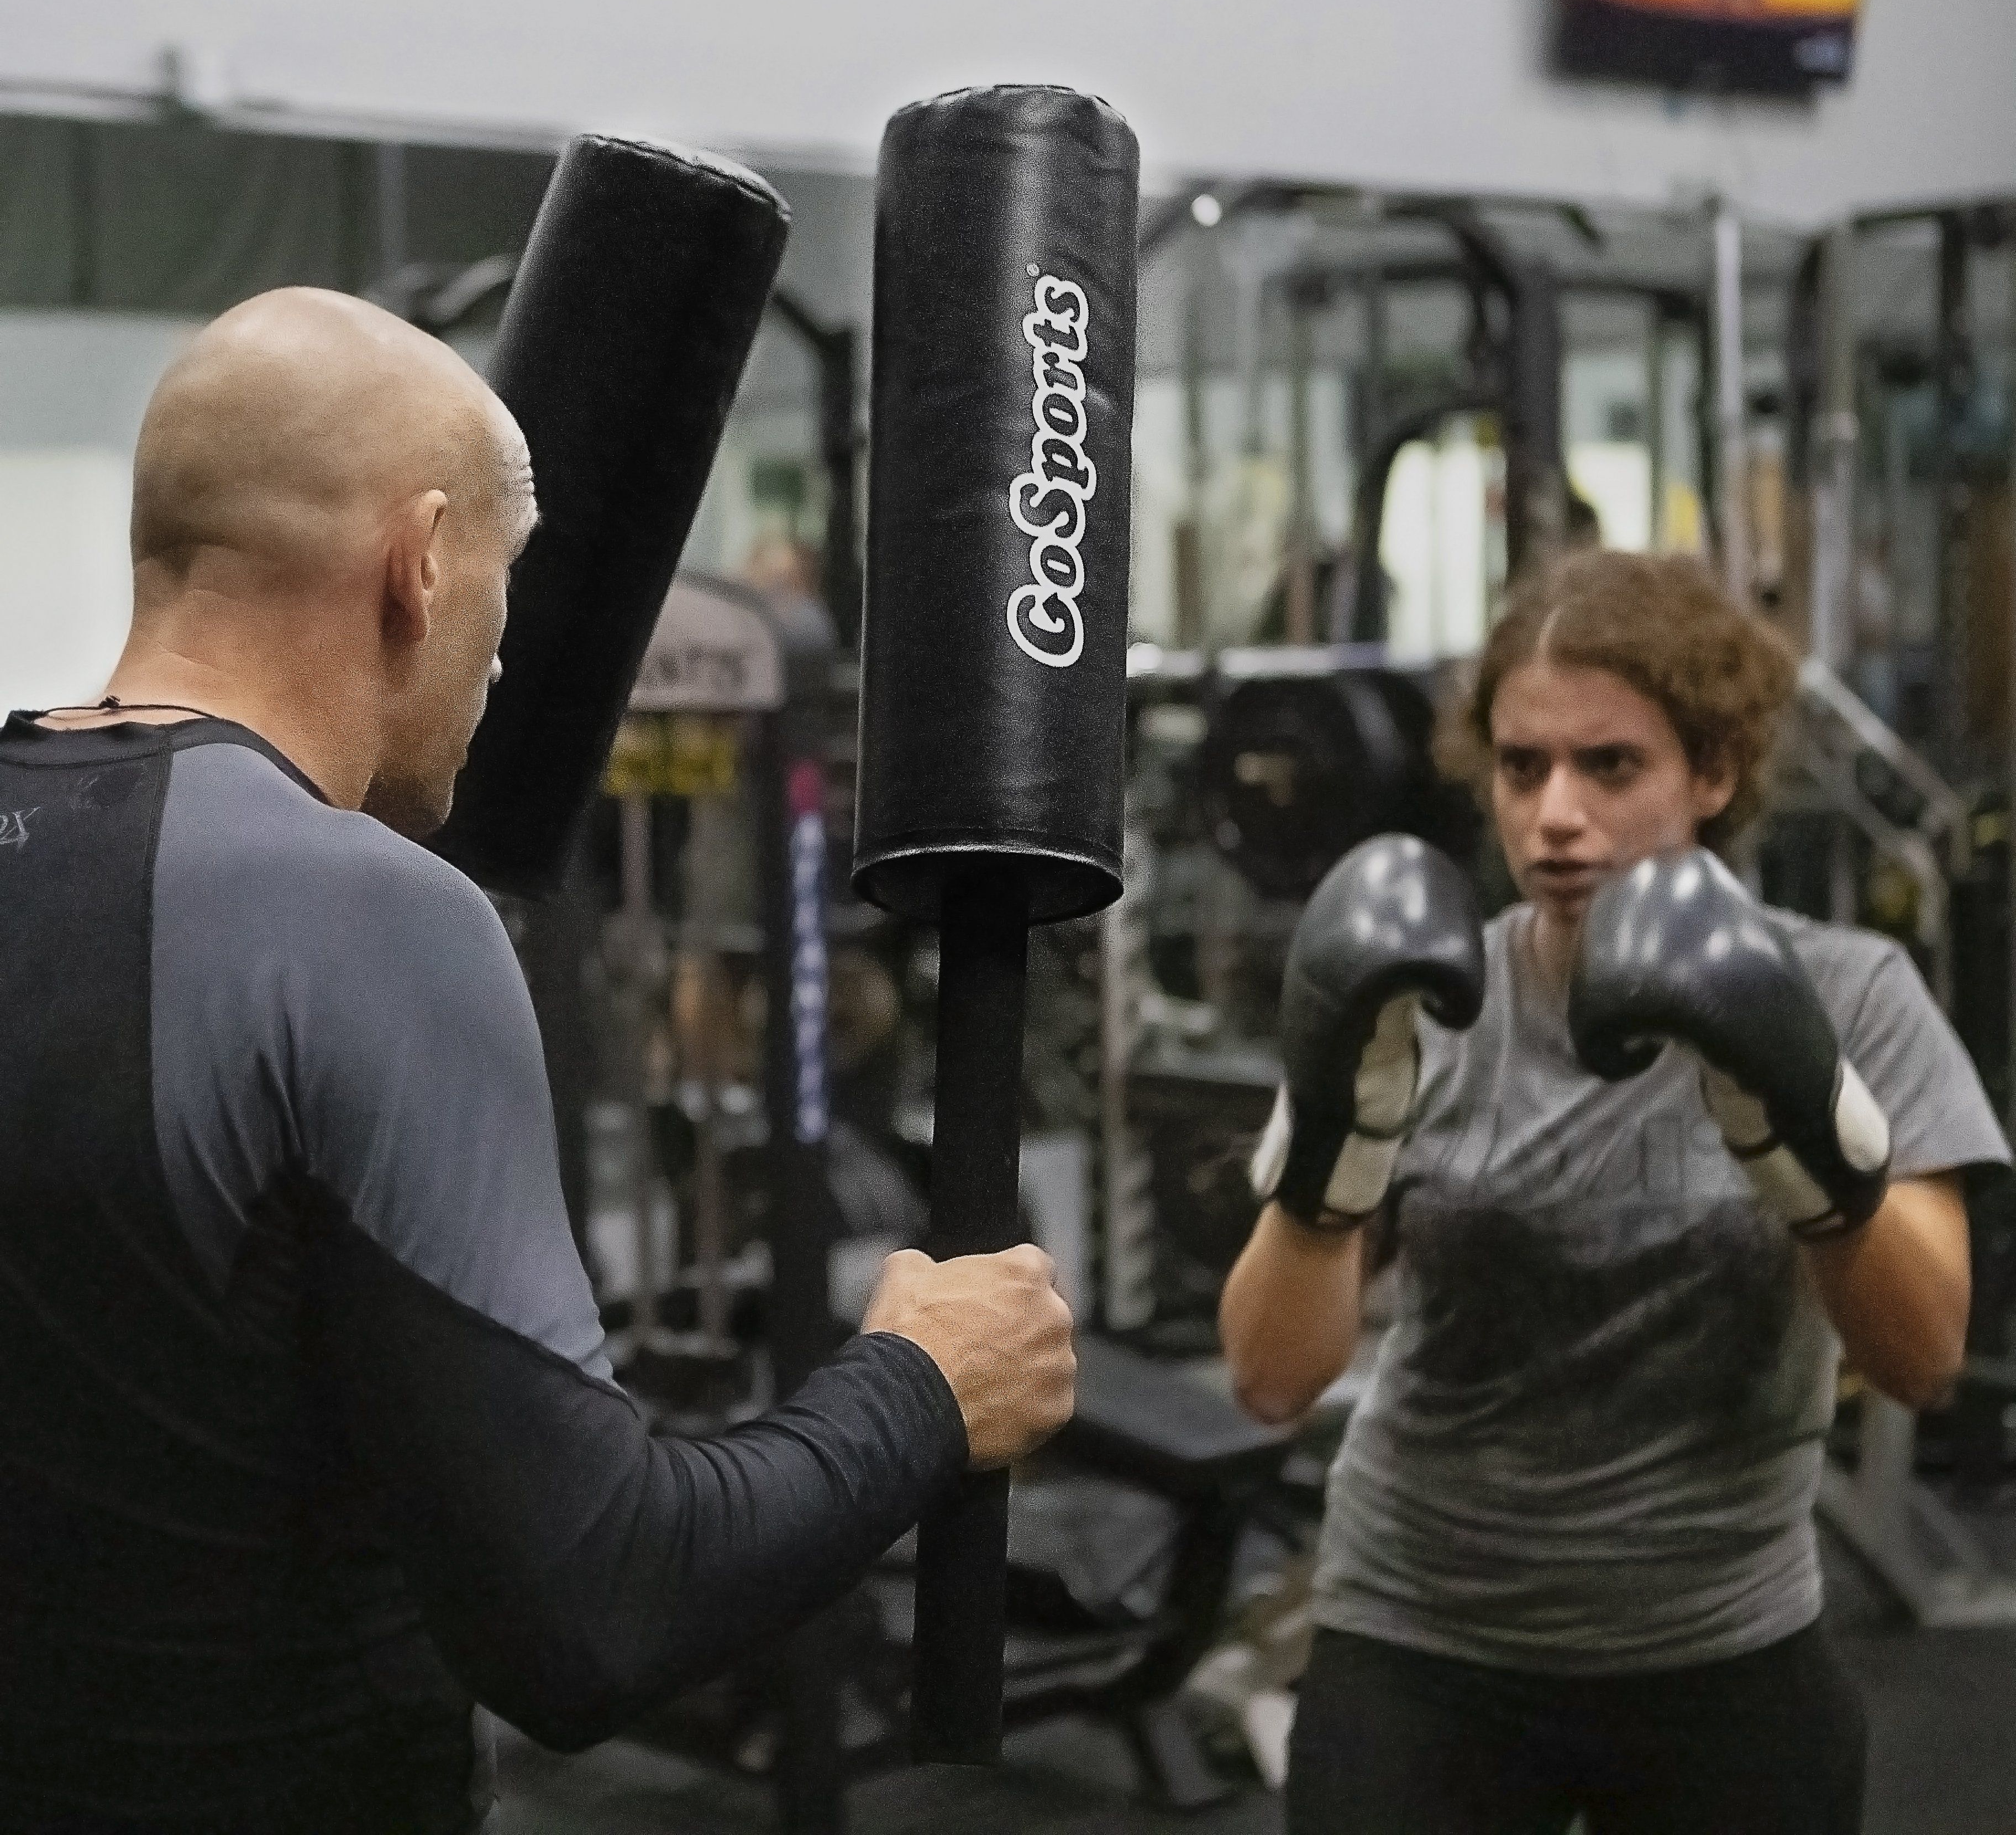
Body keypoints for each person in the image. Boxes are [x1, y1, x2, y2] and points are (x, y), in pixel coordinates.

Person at [0, 287, 1075, 1834]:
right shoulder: (364, 919)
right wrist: (924, 1389)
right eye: (501, 600)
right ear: (421, 561)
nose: (505, 668)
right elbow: (593, 1615)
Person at [1221, 548, 2006, 1835]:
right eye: (1522, 768)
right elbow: (1267, 1376)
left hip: (1722, 1633)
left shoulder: (1850, 995)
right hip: (1423, 1629)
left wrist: (1799, 1116)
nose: (1555, 816)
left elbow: (1922, 1359)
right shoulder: (1420, 1000)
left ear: (1715, 771)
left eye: (1611, 766)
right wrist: (1336, 1139)